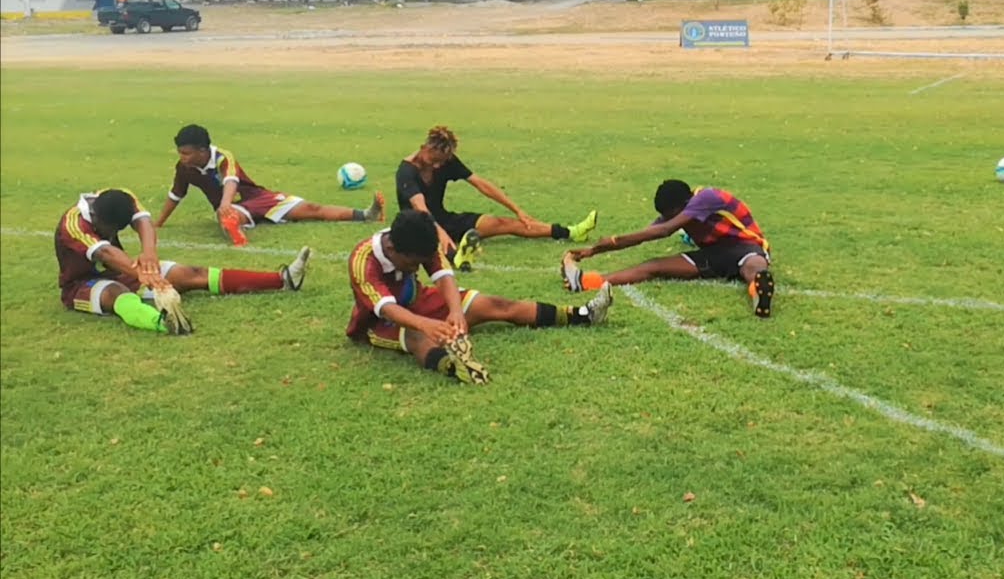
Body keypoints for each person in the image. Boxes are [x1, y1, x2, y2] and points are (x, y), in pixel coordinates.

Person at [346, 210, 614, 384]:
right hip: (380, 322)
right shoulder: (363, 260)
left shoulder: (420, 242)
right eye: (413, 263)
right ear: (393, 248)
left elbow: (444, 277)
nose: (418, 268)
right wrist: (427, 324)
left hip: (420, 301)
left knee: (496, 304)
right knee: (419, 337)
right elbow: (387, 309)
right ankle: (457, 367)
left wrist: (455, 311)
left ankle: (583, 315)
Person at [57, 188, 312, 335]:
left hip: (119, 270)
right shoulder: (74, 225)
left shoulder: (120, 198)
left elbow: (143, 222)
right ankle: (165, 323)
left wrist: (149, 255)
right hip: (81, 284)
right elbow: (106, 254)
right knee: (117, 294)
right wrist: (143, 274)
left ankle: (282, 279)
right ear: (97, 218)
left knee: (189, 273)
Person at [561, 179, 776, 318]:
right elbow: (642, 236)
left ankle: (758, 289)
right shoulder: (678, 211)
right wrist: (594, 250)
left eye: (669, 214)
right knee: (653, 266)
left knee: (753, 264)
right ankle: (586, 282)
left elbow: (663, 230)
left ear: (681, 205)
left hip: (746, 245)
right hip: (712, 255)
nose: (667, 219)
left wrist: (611, 240)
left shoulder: (706, 197)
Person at [396, 126, 598, 271]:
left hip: (445, 219)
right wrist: (441, 234)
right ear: (424, 148)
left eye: (442, 162)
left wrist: (517, 210)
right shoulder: (406, 172)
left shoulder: (446, 161)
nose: (438, 166)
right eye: (434, 161)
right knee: (429, 245)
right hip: (418, 227)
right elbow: (421, 209)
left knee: (504, 223)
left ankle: (572, 232)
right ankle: (456, 259)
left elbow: (481, 184)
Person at [155, 124, 384, 246]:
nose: (181, 156)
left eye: (186, 152)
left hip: (258, 197)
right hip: (235, 208)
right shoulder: (184, 168)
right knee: (226, 217)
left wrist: (224, 202)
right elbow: (176, 195)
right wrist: (158, 224)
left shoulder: (223, 157)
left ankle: (366, 214)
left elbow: (231, 179)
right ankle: (235, 232)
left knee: (312, 209)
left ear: (203, 150)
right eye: (180, 152)